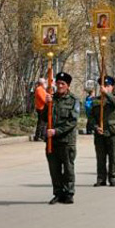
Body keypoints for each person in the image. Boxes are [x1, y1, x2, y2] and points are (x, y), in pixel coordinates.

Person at [46, 72, 79, 204]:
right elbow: (43, 118)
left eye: (62, 84)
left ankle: (69, 192)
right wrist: (45, 105)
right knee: (54, 169)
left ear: (68, 86)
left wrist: (56, 131)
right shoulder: (51, 99)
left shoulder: (73, 100)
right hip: (52, 141)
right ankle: (58, 193)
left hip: (67, 141)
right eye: (58, 83)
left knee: (68, 169)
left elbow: (72, 121)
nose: (59, 86)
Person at [93, 76, 115, 187]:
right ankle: (101, 178)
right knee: (100, 157)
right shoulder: (95, 101)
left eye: (107, 86)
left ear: (112, 87)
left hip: (112, 132)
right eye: (103, 86)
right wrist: (96, 127)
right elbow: (91, 118)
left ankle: (113, 177)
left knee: (113, 157)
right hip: (100, 133)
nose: (105, 88)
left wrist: (107, 94)